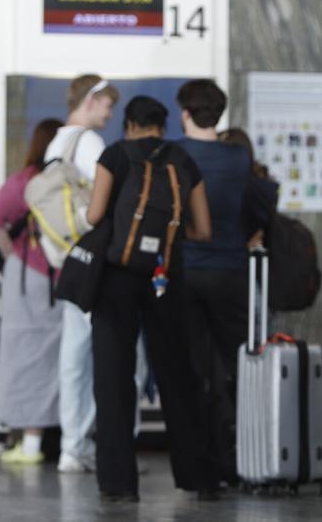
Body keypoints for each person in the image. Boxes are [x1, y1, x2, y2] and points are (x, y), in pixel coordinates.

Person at [86, 96, 219, 502]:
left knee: (113, 379)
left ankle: (118, 484)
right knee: (177, 376)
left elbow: (93, 216)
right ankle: (199, 477)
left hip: (115, 278)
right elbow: (203, 230)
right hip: (166, 277)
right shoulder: (181, 160)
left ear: (128, 124)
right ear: (163, 126)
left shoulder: (114, 155)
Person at [175, 79, 253, 483]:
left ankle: (201, 461)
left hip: (184, 271)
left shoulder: (174, 155)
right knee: (234, 365)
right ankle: (240, 455)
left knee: (194, 368)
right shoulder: (238, 157)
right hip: (231, 271)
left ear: (184, 112)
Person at [0, 118, 65, 465]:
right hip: (60, 278)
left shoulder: (25, 181)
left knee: (24, 356)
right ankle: (58, 440)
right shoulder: (68, 182)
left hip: (27, 279)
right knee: (57, 358)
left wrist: (13, 255)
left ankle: (28, 442)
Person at [48, 74, 120, 473]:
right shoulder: (89, 143)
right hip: (94, 259)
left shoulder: (56, 143)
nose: (109, 114)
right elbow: (103, 203)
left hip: (67, 257)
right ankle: (84, 444)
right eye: (106, 105)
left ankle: (71, 446)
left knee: (72, 355)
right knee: (99, 354)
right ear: (90, 100)